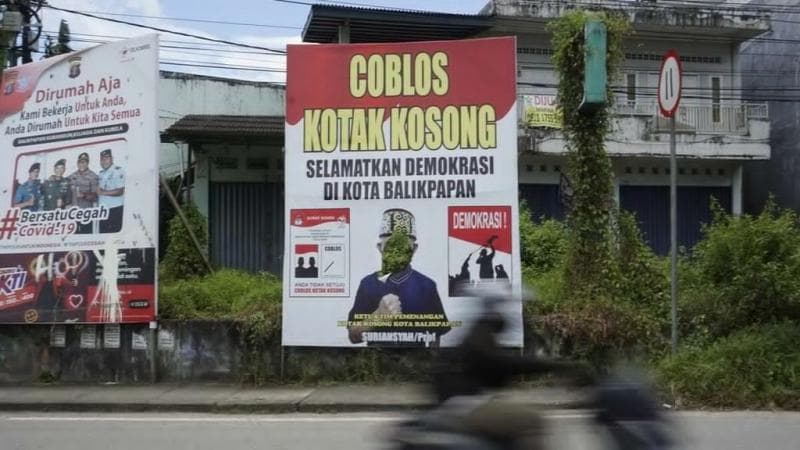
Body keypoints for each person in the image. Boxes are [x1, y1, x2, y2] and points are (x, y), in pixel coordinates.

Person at [432, 296, 592, 449]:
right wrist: (559, 366)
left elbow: (503, 365)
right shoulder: (480, 335)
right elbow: (507, 363)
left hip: (466, 401)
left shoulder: (479, 333)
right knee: (529, 418)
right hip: (465, 404)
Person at [347, 208, 450, 346]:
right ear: (380, 247)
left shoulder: (427, 286)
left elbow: (435, 337)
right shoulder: (368, 284)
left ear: (414, 249)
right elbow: (353, 337)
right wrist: (378, 316)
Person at [68, 152, 99, 234]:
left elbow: (96, 196)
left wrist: (84, 195)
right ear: (77, 163)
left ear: (88, 163)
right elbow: (62, 182)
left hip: (86, 214)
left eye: (84, 162)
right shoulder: (72, 176)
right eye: (80, 162)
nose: (82, 164)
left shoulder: (93, 176)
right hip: (73, 213)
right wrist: (53, 177)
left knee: (85, 236)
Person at [97, 149, 125, 233]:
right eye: (102, 159)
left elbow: (120, 191)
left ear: (112, 159)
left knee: (114, 237)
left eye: (106, 158)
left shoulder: (118, 171)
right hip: (103, 211)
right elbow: (100, 190)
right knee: (103, 236)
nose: (104, 161)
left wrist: (103, 192)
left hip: (115, 209)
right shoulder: (101, 173)